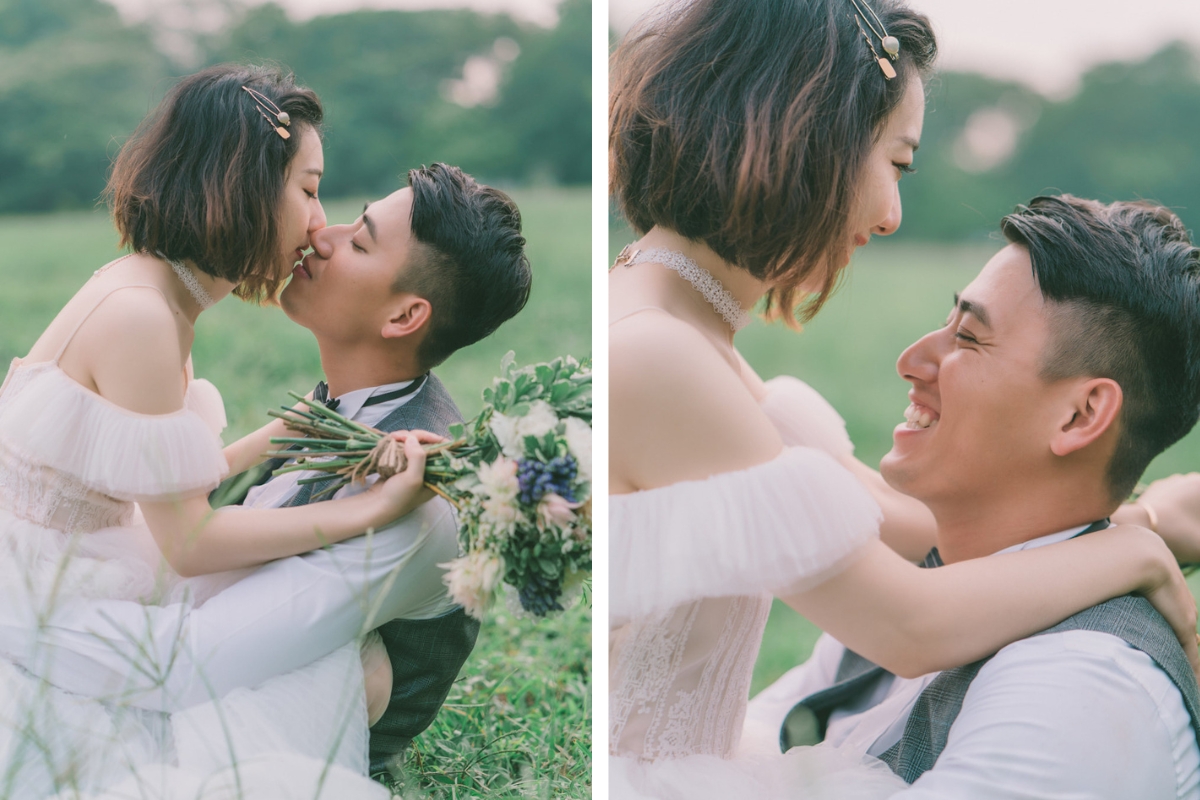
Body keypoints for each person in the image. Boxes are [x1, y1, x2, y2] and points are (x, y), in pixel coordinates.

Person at [608, 1, 1199, 797]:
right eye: (897, 162)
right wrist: (1131, 553)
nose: (890, 216)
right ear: (812, 140)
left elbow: (910, 531)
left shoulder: (685, 335)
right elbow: (908, 623)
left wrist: (1148, 517)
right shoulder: (659, 355)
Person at [0, 162, 533, 783]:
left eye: (358, 242)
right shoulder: (347, 409)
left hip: (254, 721)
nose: (321, 234)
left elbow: (191, 664)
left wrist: (21, 619)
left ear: (403, 318)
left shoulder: (412, 498)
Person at [747, 195, 1200, 798]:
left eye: (968, 337)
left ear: (1080, 415)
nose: (912, 361)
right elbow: (749, 743)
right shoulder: (926, 588)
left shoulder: (1081, 688)